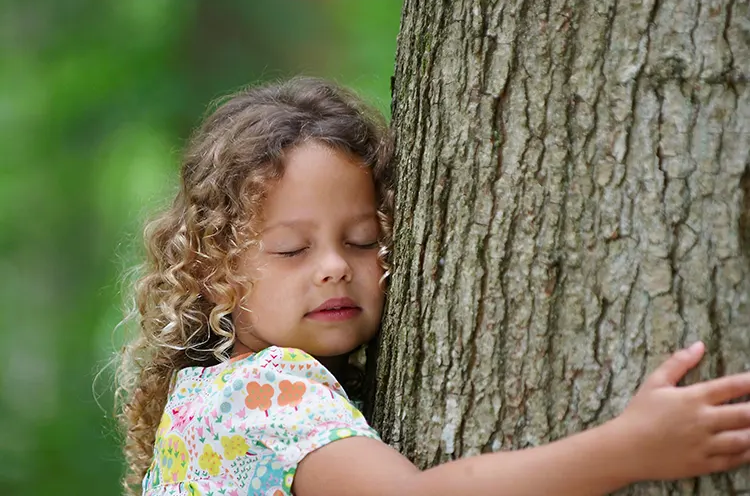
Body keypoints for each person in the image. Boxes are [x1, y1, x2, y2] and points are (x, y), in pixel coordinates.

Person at [116, 77, 750, 496]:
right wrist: (629, 449)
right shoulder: (268, 388)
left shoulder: (198, 399)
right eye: (292, 249)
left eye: (364, 240)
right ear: (213, 270)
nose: (335, 266)